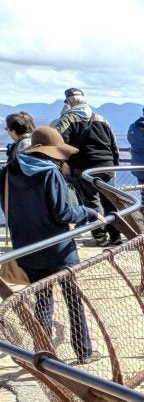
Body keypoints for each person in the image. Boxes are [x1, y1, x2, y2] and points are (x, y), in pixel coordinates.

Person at [2, 127, 101, 360]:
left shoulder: (8, 171)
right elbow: (63, 213)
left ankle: (44, 353)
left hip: (27, 247)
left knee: (43, 299)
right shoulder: (50, 173)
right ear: (52, 153)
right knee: (73, 300)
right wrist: (89, 212)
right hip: (58, 249)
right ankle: (84, 351)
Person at [55, 90, 121, 245]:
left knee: (91, 201)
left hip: (83, 166)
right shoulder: (102, 119)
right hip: (107, 165)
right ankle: (116, 235)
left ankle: (99, 235)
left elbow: (59, 142)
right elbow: (114, 144)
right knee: (110, 200)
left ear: (70, 102)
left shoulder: (68, 119)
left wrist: (65, 163)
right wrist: (114, 164)